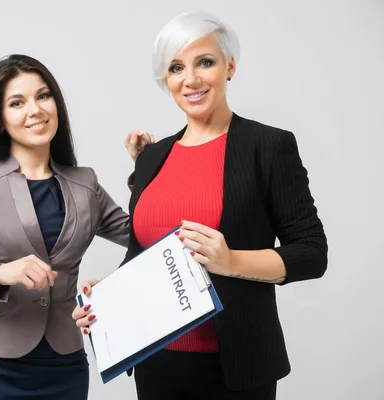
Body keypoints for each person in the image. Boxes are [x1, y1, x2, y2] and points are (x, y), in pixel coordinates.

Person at [73, 12, 328, 400]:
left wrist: (231, 262)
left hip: (236, 366)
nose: (190, 79)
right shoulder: (151, 157)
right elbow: (143, 254)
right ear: (166, 80)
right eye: (176, 67)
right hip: (155, 362)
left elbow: (312, 254)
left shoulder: (269, 146)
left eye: (204, 62)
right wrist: (104, 297)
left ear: (230, 66)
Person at [0, 54, 153, 399]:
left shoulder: (84, 183)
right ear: (0, 120)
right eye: (17, 102)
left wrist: (147, 171)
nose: (35, 110)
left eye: (43, 96)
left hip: (64, 365)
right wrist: (0, 273)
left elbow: (146, 236)